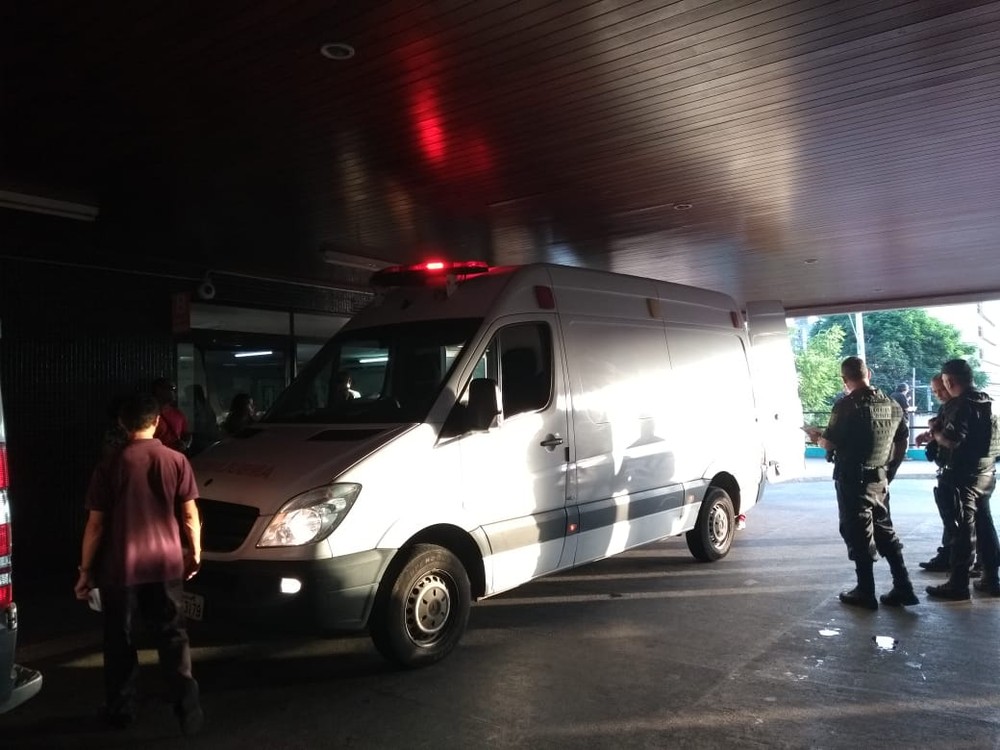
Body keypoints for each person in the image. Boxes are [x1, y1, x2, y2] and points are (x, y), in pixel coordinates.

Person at [73, 392, 204, 734]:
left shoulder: (110, 465)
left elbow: (96, 525)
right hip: (165, 564)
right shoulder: (177, 461)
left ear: (122, 423)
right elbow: (190, 515)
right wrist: (195, 552)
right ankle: (188, 710)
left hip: (121, 568)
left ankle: (122, 710)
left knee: (120, 639)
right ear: (157, 422)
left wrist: (86, 571)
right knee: (173, 636)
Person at [805, 356, 916, 609]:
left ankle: (865, 591)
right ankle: (903, 586)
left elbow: (829, 443)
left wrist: (817, 437)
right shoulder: (891, 404)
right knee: (885, 530)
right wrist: (890, 470)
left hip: (852, 479)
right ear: (869, 375)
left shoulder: (847, 405)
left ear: (844, 380)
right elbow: (902, 442)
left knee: (858, 532)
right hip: (879, 478)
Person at [923, 359, 1000, 599]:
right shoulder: (988, 402)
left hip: (962, 476)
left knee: (962, 530)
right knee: (985, 525)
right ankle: (991, 578)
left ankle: (958, 584)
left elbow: (952, 440)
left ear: (949, 381)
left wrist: (936, 432)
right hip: (985, 473)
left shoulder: (961, 405)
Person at [915, 374, 957, 572]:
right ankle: (948, 554)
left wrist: (935, 432)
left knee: (958, 518)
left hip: (957, 470)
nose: (939, 394)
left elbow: (950, 439)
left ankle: (959, 560)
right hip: (947, 468)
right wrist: (929, 435)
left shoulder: (959, 409)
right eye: (935, 391)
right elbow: (940, 432)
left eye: (941, 389)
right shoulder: (947, 408)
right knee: (949, 516)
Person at [152, 377, 191, 452]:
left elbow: (186, 434)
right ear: (159, 390)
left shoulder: (178, 413)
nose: (175, 392)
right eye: (172, 388)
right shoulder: (147, 414)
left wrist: (185, 444)